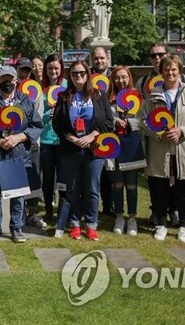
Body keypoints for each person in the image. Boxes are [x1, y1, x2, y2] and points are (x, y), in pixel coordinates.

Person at [140, 54, 185, 243]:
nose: (170, 73)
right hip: (160, 149)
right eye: (167, 69)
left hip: (183, 148)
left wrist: (182, 131)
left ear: (179, 71)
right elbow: (144, 121)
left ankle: (183, 226)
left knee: (183, 189)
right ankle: (161, 224)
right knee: (159, 187)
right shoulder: (153, 95)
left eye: (174, 69)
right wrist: (158, 134)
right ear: (161, 72)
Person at [0, 65, 43, 244]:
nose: (7, 83)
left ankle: (16, 228)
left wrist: (20, 137)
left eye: (10, 80)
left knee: (18, 194)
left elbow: (36, 125)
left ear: (16, 81)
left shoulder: (25, 101)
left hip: (18, 152)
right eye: (4, 80)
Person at [52, 60, 114, 241]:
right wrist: (72, 138)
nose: (78, 76)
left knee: (92, 188)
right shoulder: (63, 96)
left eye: (82, 73)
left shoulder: (99, 95)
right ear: (69, 76)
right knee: (72, 188)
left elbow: (108, 122)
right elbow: (57, 124)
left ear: (88, 74)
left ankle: (91, 225)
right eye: (74, 74)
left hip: (94, 149)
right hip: (70, 149)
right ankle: (75, 224)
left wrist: (91, 136)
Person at [136, 42, 185, 227]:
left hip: (177, 138)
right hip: (155, 137)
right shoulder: (143, 82)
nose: (157, 58)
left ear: (167, 55)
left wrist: (180, 131)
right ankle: (157, 213)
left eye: (160, 54)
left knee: (176, 175)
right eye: (153, 56)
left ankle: (174, 211)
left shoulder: (184, 81)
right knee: (156, 177)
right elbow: (141, 112)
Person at [107, 65, 142, 236]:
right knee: (117, 183)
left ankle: (132, 218)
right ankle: (119, 216)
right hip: (114, 144)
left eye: (124, 77)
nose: (120, 81)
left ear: (129, 78)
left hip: (132, 144)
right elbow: (105, 118)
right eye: (117, 77)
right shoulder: (108, 98)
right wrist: (115, 121)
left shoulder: (137, 97)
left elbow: (144, 120)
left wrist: (130, 123)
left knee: (131, 183)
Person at [16, 57, 46, 229]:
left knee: (33, 176)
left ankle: (33, 212)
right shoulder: (11, 88)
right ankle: (19, 213)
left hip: (31, 141)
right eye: (22, 70)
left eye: (28, 70)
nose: (25, 73)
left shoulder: (36, 90)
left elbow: (39, 118)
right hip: (14, 141)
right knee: (17, 178)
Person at [39, 54, 66, 226]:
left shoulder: (66, 87)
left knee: (63, 177)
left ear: (61, 69)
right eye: (50, 68)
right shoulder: (40, 89)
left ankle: (63, 211)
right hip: (46, 139)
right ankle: (48, 209)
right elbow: (34, 115)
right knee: (48, 177)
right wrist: (45, 115)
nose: (53, 71)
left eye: (56, 68)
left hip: (63, 139)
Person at [90, 45, 114, 216]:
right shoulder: (86, 77)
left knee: (109, 171)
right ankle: (91, 205)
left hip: (111, 129)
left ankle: (109, 205)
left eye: (102, 58)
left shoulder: (116, 77)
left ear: (107, 59)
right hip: (90, 131)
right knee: (92, 171)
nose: (99, 61)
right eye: (96, 58)